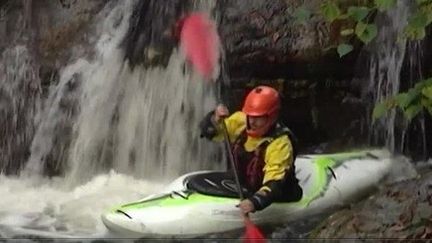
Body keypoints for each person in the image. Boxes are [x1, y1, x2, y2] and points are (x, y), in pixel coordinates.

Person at [200, 85, 303, 214]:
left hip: (277, 195)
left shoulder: (280, 144)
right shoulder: (242, 121)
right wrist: (215, 118)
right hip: (243, 185)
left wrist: (255, 202)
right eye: (250, 116)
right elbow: (210, 132)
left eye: (259, 118)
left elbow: (275, 183)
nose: (253, 122)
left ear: (271, 117)